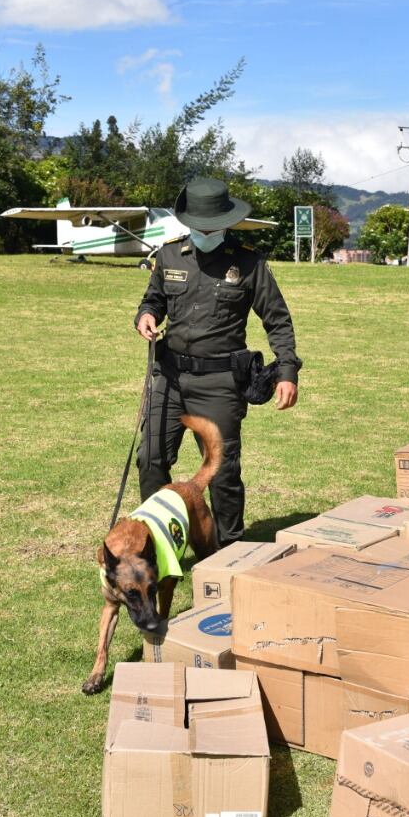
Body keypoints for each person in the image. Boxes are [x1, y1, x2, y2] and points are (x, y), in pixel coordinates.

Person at [133, 177, 301, 546]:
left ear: (227, 222)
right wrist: (146, 315)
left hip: (220, 384)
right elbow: (154, 298)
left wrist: (287, 371)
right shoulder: (168, 255)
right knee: (150, 459)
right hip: (170, 378)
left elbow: (277, 320)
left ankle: (229, 549)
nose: (206, 232)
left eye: (213, 226)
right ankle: (161, 541)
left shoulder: (249, 263)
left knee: (222, 471)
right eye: (200, 225)